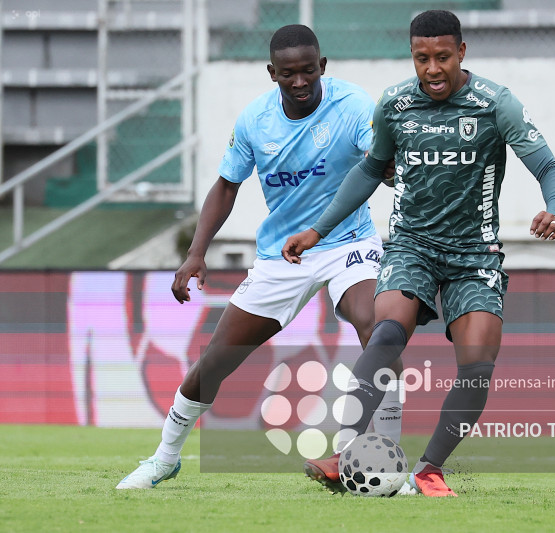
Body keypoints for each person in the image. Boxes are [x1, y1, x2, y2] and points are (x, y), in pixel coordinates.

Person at [282, 10, 555, 497]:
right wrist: (317, 230)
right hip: (411, 244)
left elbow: (549, 168)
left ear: (462, 52)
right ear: (412, 56)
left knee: (478, 362)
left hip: (474, 252)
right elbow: (370, 170)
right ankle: (344, 450)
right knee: (386, 332)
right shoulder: (394, 104)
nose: (432, 69)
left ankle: (430, 469)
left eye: (442, 57)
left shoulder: (496, 104)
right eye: (421, 58)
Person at [117, 24, 403, 490]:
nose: (299, 82)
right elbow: (227, 186)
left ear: (322, 67)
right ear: (272, 73)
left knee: (380, 329)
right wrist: (195, 253)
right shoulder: (254, 120)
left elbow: (379, 163)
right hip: (281, 256)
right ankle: (164, 458)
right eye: (288, 73)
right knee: (215, 363)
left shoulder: (353, 107)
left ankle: (387, 461)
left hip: (348, 243)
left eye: (308, 71)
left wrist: (391, 171)